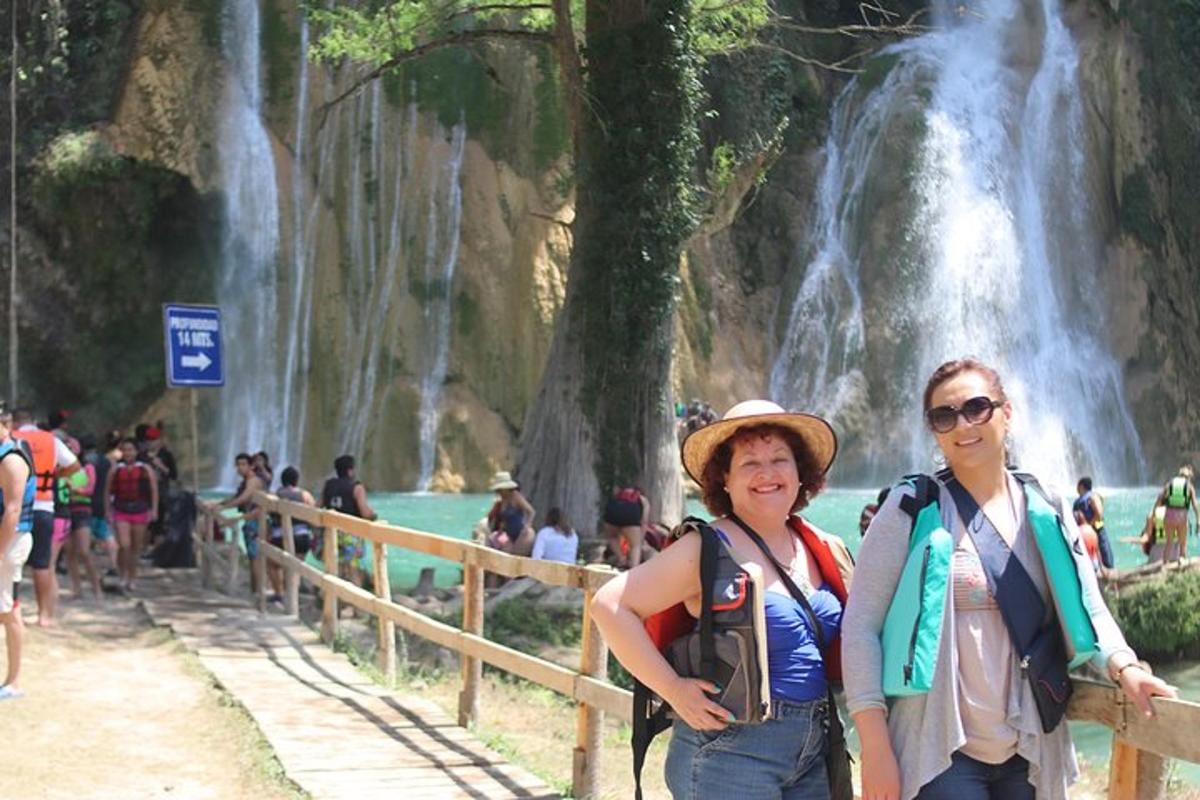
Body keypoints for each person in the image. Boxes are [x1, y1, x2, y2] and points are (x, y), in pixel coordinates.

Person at [843, 358, 1175, 800]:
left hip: (1030, 743)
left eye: (976, 407)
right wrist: (874, 744)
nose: (963, 425)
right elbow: (860, 626)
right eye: (944, 416)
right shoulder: (911, 507)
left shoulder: (1046, 504)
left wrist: (1124, 666)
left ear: (1007, 413)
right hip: (939, 747)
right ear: (934, 430)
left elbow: (1089, 605)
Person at [592, 399, 853, 799]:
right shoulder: (706, 548)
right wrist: (674, 689)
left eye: (780, 459)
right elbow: (609, 605)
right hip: (731, 753)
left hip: (815, 748)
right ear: (724, 480)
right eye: (749, 463)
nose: (767, 472)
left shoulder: (818, 544)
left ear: (800, 472)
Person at [12, 407, 82, 625]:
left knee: (9, 559)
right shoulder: (51, 440)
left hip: (16, 506)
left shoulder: (11, 439)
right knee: (42, 563)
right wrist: (56, 475)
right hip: (44, 507)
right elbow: (76, 468)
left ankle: (10, 611)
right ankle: (44, 615)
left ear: (14, 422)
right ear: (34, 421)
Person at [0, 404, 35, 699]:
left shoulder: (12, 459)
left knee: (7, 611)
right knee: (8, 609)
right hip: (7, 542)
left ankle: (13, 683)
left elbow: (12, 510)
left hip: (10, 542)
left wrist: (0, 551)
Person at [104, 437, 158, 593]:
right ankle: (122, 575)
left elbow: (154, 490)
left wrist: (154, 510)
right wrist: (108, 510)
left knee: (135, 547)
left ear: (136, 451)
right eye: (125, 450)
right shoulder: (115, 470)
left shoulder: (145, 469)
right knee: (124, 545)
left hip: (140, 510)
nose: (128, 453)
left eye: (131, 450)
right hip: (121, 510)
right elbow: (107, 492)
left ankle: (132, 578)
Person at [321, 455, 378, 597]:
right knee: (354, 570)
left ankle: (332, 601)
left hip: (331, 533)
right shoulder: (356, 488)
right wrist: (374, 516)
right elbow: (365, 513)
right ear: (350, 470)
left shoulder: (328, 485)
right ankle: (355, 604)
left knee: (335, 568)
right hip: (351, 535)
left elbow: (318, 506)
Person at [267, 466, 316, 604]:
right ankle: (292, 596)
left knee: (273, 564)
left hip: (279, 536)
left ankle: (279, 593)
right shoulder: (305, 495)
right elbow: (313, 514)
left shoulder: (276, 495)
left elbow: (269, 515)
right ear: (296, 480)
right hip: (301, 537)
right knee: (295, 567)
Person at [212, 453, 266, 576]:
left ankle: (258, 587)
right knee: (252, 558)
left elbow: (243, 498)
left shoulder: (253, 481)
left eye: (243, 464)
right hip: (250, 521)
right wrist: (217, 503)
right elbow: (236, 497)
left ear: (251, 466)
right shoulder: (246, 481)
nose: (240, 467)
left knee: (255, 559)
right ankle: (255, 587)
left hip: (256, 522)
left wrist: (223, 508)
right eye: (238, 465)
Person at [65, 435, 102, 599]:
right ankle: (77, 589)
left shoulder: (87, 468)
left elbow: (89, 489)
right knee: (69, 553)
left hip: (82, 511)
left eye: (71, 448)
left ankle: (97, 588)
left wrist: (73, 487)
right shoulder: (60, 469)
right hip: (65, 511)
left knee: (84, 551)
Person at [485, 471, 536, 557]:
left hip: (521, 534)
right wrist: (501, 528)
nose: (499, 492)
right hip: (507, 534)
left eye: (500, 489)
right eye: (498, 490)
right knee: (500, 551)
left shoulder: (515, 496)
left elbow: (531, 511)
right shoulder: (502, 500)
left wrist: (528, 525)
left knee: (516, 556)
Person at [602, 484, 651, 568]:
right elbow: (644, 522)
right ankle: (634, 568)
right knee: (635, 546)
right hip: (630, 514)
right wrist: (640, 540)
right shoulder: (643, 499)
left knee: (612, 537)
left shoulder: (618, 495)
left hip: (612, 511)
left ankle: (622, 559)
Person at [1157, 466, 1199, 563]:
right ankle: (1182, 562)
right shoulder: (1189, 486)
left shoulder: (1170, 484)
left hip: (1169, 517)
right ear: (1188, 477)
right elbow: (1195, 505)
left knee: (1169, 543)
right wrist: (1198, 519)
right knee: (1183, 544)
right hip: (1182, 518)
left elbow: (1159, 498)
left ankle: (1165, 565)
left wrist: (1157, 510)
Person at [1072, 477, 1113, 571]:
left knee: (1101, 555)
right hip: (1093, 530)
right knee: (1101, 555)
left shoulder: (1091, 497)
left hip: (1094, 531)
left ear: (1081, 486)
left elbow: (1099, 514)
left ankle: (1106, 572)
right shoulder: (1092, 497)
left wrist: (1089, 526)